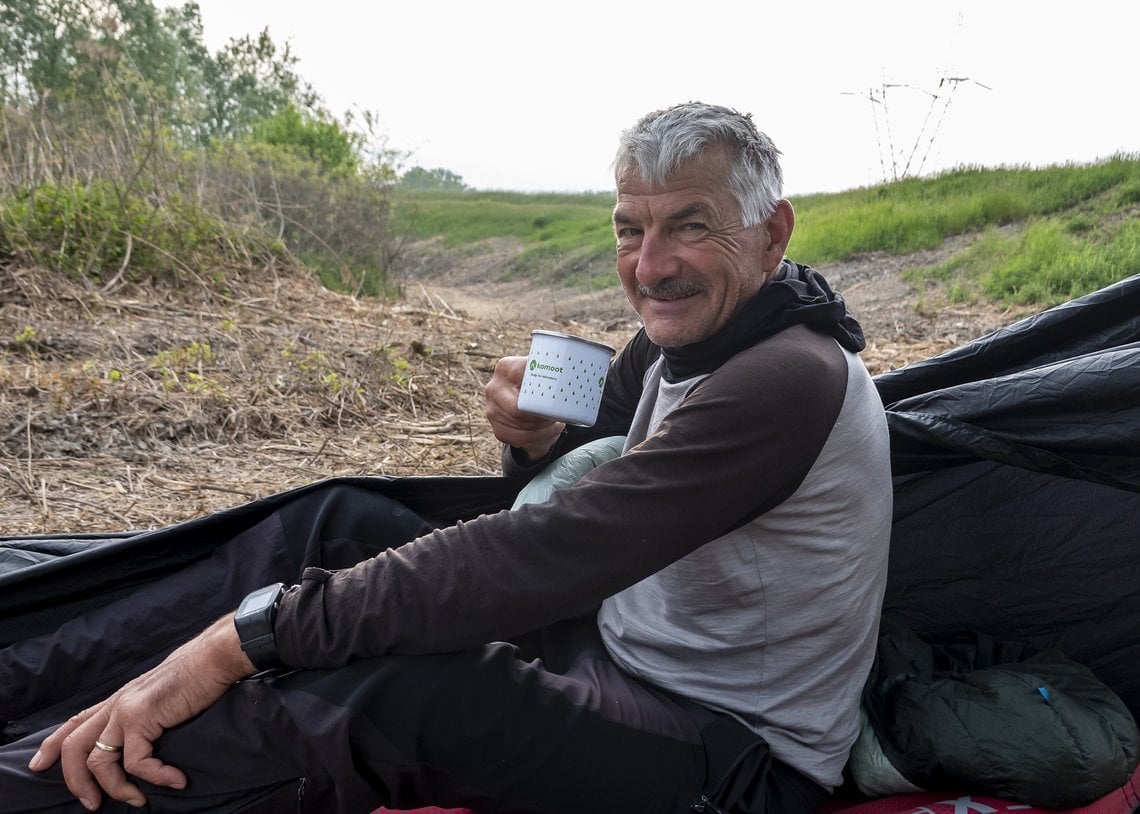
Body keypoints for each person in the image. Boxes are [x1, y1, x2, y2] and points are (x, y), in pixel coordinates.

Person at [1, 101, 892, 813]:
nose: (650, 267)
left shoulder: (788, 378)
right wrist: (532, 441)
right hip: (612, 645)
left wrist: (239, 643)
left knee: (398, 691)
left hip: (730, 757)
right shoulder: (677, 340)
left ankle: (39, 783)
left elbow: (549, 550)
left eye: (689, 228)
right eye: (630, 231)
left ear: (772, 235)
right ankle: (31, 675)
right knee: (337, 520)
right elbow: (571, 472)